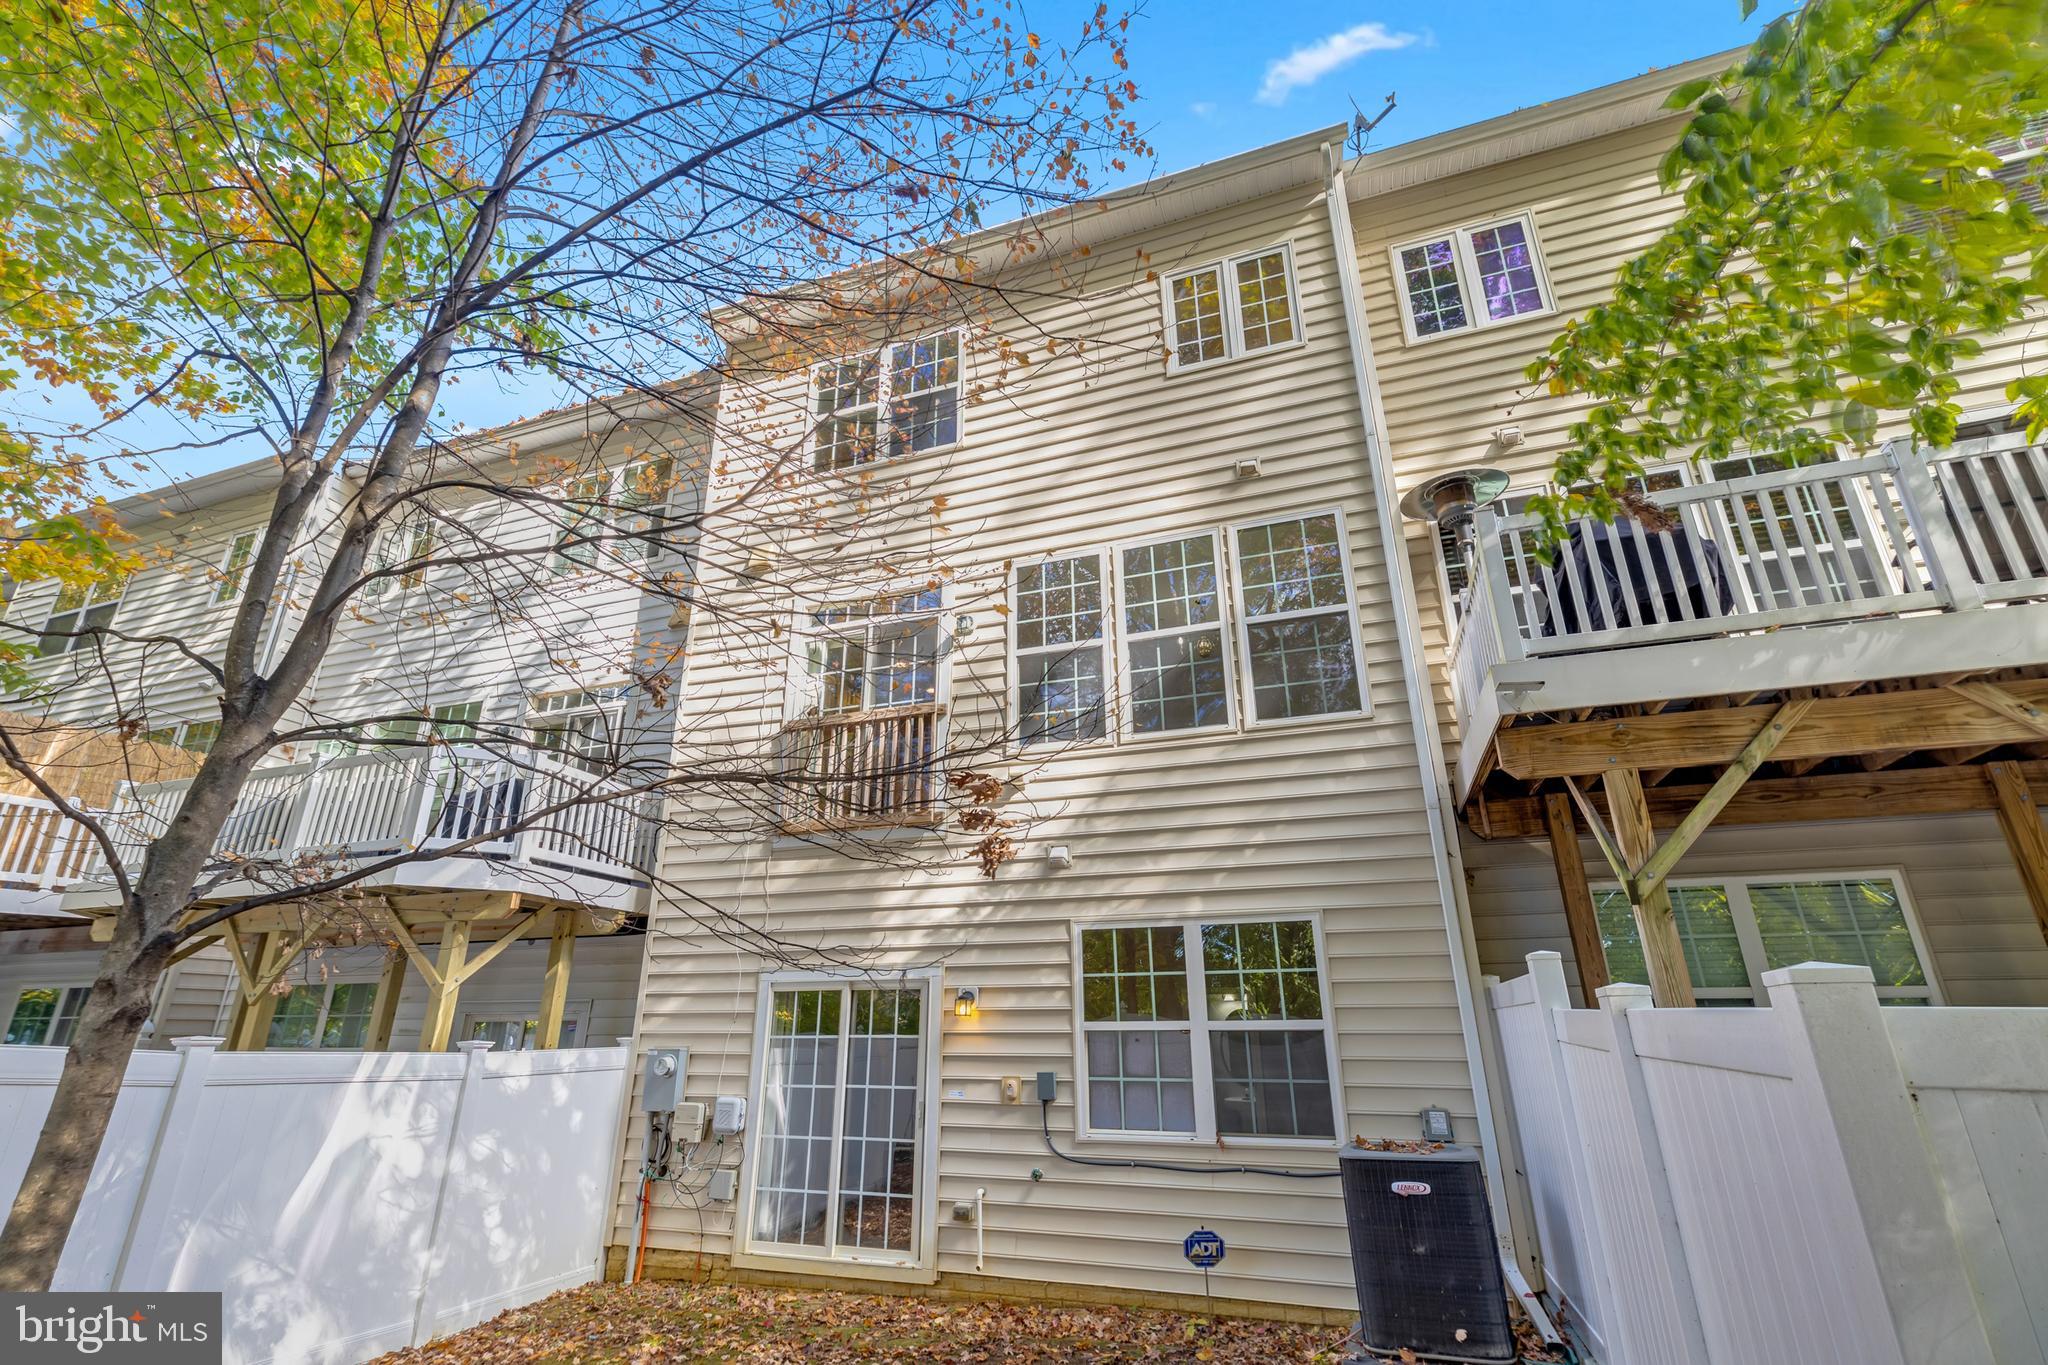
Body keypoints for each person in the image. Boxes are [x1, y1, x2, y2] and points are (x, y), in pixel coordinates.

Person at [1542, 488, 1734, 635]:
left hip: (1626, 625)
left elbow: (1550, 580)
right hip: (1672, 619)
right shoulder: (1674, 536)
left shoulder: (1589, 541)